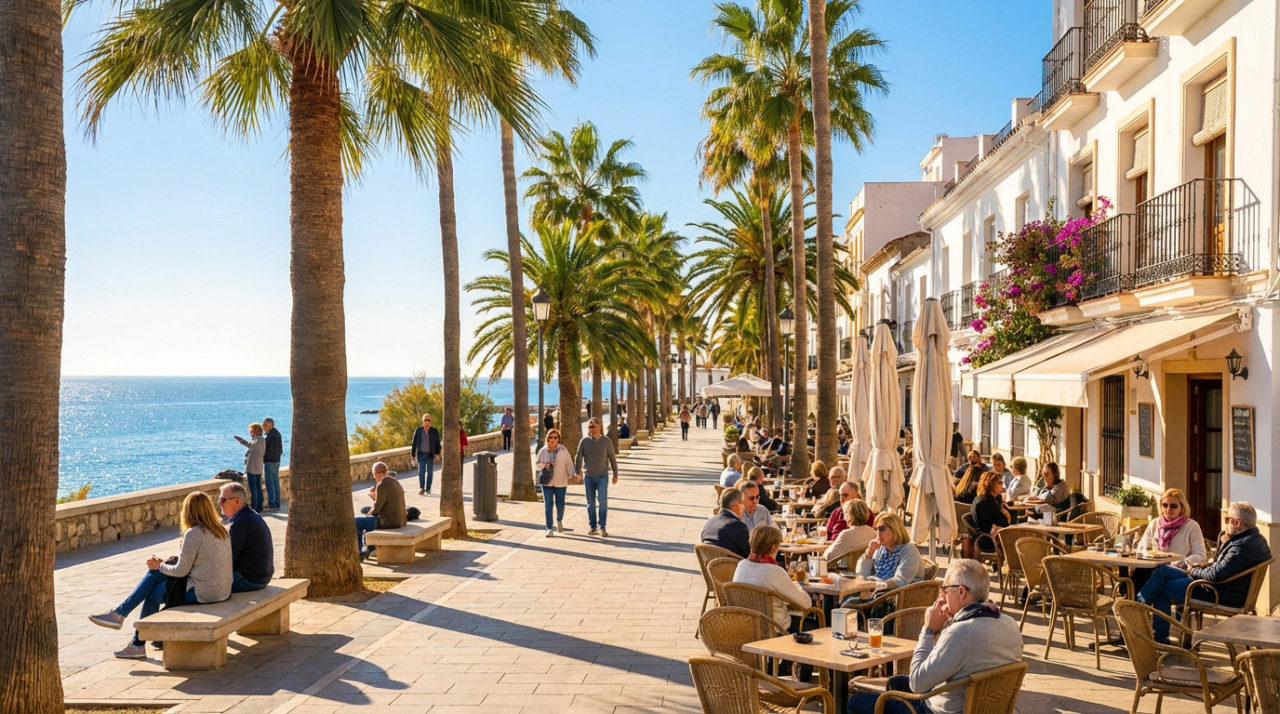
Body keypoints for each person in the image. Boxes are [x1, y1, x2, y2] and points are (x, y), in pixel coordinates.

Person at [847, 559, 1022, 714]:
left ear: (961, 592)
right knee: (896, 682)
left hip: (938, 710)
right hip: (989, 708)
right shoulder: (1010, 624)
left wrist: (929, 629)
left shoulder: (960, 633)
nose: (942, 595)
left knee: (856, 702)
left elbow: (917, 682)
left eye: (945, 589)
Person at [89, 491, 232, 660]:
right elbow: (195, 562)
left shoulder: (194, 533)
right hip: (221, 590)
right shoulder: (220, 530)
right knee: (156, 574)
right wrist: (163, 564)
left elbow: (181, 571)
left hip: (203, 593)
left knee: (151, 590)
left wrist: (159, 566)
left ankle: (132, 637)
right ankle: (123, 621)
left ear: (188, 511)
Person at [1138, 501, 1271, 644]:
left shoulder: (1240, 547)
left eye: (1227, 520)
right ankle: (1141, 610)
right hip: (1224, 587)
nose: (1225, 523)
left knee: (1162, 587)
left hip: (1218, 592)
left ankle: (1140, 612)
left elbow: (1216, 574)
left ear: (1238, 523)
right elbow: (1220, 568)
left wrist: (1193, 570)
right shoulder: (1255, 538)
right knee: (1164, 571)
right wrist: (1197, 567)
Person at [732, 524, 811, 630]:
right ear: (774, 547)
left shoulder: (742, 565)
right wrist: (798, 585)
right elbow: (806, 604)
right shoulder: (775, 571)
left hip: (746, 625)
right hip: (774, 628)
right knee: (819, 624)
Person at [850, 512, 924, 596]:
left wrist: (874, 585)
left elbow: (900, 581)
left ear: (895, 529)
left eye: (881, 529)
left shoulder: (909, 549)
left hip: (900, 598)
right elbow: (862, 575)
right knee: (847, 597)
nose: (877, 533)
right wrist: (869, 553)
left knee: (851, 600)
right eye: (876, 529)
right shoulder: (881, 549)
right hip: (877, 592)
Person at [218, 482, 274, 592]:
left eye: (223, 500)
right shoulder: (248, 515)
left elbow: (229, 557)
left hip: (250, 580)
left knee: (201, 583)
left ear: (237, 501)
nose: (219, 503)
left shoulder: (240, 522)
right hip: (262, 576)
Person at [1135, 488, 1207, 567]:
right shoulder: (1154, 523)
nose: (1168, 509)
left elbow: (1201, 555)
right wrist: (1149, 556)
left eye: (1173, 506)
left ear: (1182, 507)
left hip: (1178, 570)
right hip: (1154, 568)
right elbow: (1141, 548)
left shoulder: (1191, 526)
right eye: (1165, 505)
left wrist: (1181, 563)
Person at [576, 418, 619, 537]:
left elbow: (612, 458)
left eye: (594, 426)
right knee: (590, 503)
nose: (592, 429)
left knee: (602, 501)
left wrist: (615, 474)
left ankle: (602, 527)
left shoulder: (606, 441)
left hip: (602, 476)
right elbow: (578, 457)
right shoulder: (584, 442)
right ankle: (593, 526)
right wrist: (578, 472)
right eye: (590, 427)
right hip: (588, 476)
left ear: (599, 427)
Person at [354, 461, 405, 559]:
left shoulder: (382, 484)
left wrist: (369, 512)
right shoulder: (394, 481)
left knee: (356, 522)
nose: (374, 477)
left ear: (377, 473)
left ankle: (358, 551)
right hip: (399, 520)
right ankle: (371, 548)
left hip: (389, 522)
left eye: (374, 474)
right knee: (368, 520)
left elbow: (377, 508)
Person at [536, 428, 574, 537]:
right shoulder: (543, 451)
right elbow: (537, 465)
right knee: (548, 505)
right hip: (547, 482)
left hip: (561, 482)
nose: (552, 439)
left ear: (558, 439)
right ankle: (549, 528)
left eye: (555, 437)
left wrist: (572, 475)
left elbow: (569, 464)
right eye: (550, 437)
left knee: (560, 505)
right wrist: (543, 465)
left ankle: (559, 520)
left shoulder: (563, 450)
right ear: (547, 438)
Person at [701, 487, 751, 558]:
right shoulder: (739, 527)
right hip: (732, 567)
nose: (744, 508)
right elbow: (748, 554)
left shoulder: (709, 523)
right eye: (743, 503)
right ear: (737, 505)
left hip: (709, 566)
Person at [824, 499, 875, 564]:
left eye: (845, 514)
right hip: (865, 568)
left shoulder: (846, 534)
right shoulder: (874, 533)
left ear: (849, 516)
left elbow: (829, 556)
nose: (844, 518)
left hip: (843, 570)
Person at [234, 423, 267, 513]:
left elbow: (251, 446)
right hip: (258, 468)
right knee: (258, 488)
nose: (250, 433)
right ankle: (259, 506)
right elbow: (251, 446)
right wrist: (241, 441)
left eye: (251, 431)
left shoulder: (257, 440)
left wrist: (241, 441)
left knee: (254, 489)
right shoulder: (261, 440)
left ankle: (254, 507)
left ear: (256, 431)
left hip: (253, 468)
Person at [970, 472, 1011, 545]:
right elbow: (986, 528)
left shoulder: (994, 498)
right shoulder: (983, 502)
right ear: (990, 484)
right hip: (989, 540)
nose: (1002, 485)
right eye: (999, 483)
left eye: (1002, 482)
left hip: (1000, 534)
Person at [410, 414, 442, 496]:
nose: (427, 422)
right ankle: (422, 488)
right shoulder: (418, 430)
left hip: (430, 455)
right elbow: (413, 444)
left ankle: (428, 488)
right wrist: (412, 456)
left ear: (431, 422)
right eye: (425, 420)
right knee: (421, 472)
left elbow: (437, 443)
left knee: (430, 472)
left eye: (429, 420)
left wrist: (437, 453)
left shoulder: (434, 431)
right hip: (421, 454)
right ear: (423, 421)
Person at [261, 417, 283, 511]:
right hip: (276, 460)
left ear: (270, 425)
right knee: (275, 483)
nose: (263, 427)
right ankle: (276, 503)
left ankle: (272, 504)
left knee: (270, 483)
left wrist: (265, 459)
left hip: (270, 461)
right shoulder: (275, 433)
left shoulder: (271, 435)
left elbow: (270, 449)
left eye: (265, 425)